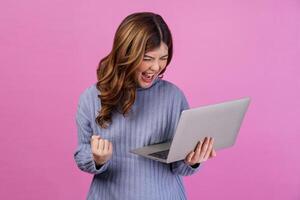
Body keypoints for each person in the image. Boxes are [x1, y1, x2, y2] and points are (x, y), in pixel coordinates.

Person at [74, 11, 217, 200]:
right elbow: (81, 153)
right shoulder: (92, 98)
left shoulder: (173, 97)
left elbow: (180, 167)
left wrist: (192, 161)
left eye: (163, 58)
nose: (156, 67)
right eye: (148, 59)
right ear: (126, 53)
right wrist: (97, 160)